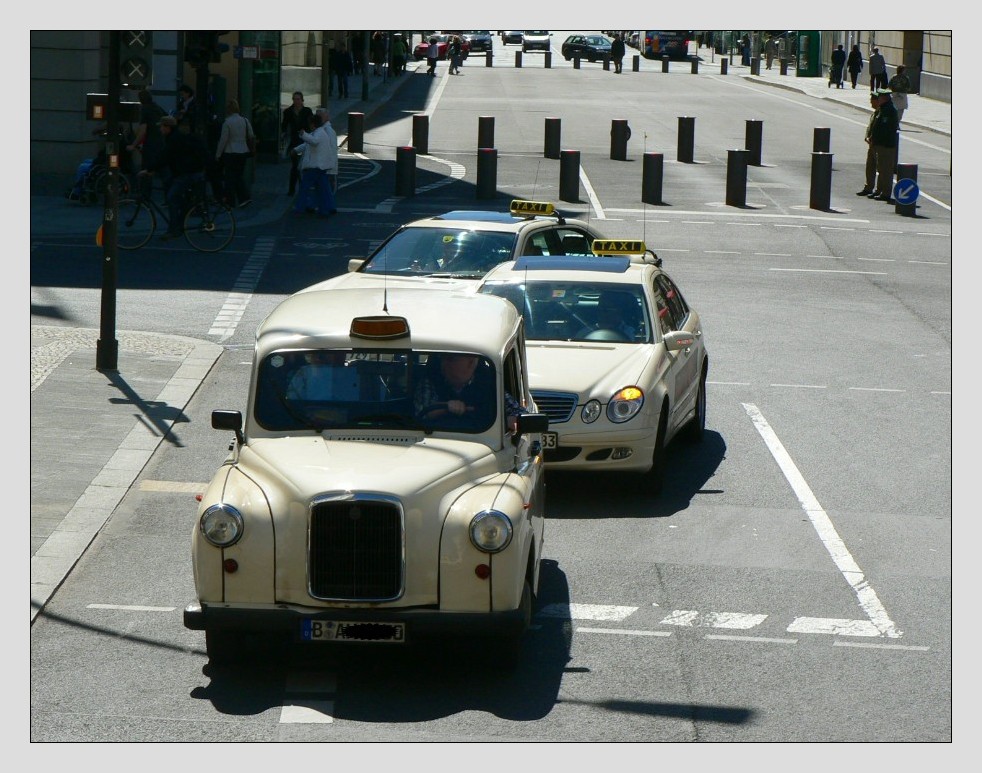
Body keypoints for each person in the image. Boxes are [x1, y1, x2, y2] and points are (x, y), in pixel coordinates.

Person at [137, 115, 209, 240]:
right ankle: (182, 217)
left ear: (168, 127)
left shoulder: (173, 139)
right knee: (174, 192)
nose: (160, 130)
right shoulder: (176, 137)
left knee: (171, 198)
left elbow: (165, 157)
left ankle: (174, 229)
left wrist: (149, 169)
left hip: (187, 173)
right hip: (191, 171)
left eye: (162, 127)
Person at [414, 354, 523, 432]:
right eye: (442, 359)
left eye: (450, 359)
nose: (444, 364)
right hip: (435, 437)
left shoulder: (488, 384)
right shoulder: (431, 381)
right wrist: (446, 407)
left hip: (482, 440)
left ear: (471, 362)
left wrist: (506, 420)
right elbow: (421, 413)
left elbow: (519, 413)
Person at [293, 107, 338, 217]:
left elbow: (313, 141)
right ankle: (326, 208)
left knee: (305, 187)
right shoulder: (322, 131)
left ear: (313, 124)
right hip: (322, 166)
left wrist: (303, 135)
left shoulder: (320, 132)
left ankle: (300, 207)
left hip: (315, 165)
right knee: (323, 188)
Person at [214, 99, 254, 208]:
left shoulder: (227, 122)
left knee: (229, 177)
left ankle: (230, 200)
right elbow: (251, 135)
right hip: (243, 151)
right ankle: (243, 198)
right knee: (238, 175)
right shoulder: (245, 120)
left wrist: (218, 154)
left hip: (230, 152)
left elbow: (223, 140)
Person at [127, 89, 167, 196]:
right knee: (163, 169)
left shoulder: (145, 110)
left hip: (151, 144)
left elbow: (143, 131)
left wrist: (134, 145)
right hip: (161, 142)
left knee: (147, 169)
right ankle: (169, 196)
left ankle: (144, 196)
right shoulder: (157, 107)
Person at [281, 91, 314, 196]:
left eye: (298, 99)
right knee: (295, 165)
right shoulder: (288, 111)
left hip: (305, 140)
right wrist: (284, 135)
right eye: (295, 99)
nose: (296, 101)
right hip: (294, 141)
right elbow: (284, 125)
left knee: (303, 165)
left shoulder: (307, 111)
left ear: (302, 100)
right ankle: (293, 189)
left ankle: (302, 188)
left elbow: (311, 125)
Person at [869, 89, 900, 202]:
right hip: (879, 144)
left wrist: (877, 139)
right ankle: (879, 190)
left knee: (886, 170)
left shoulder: (889, 110)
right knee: (880, 169)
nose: (878, 99)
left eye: (880, 97)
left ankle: (885, 193)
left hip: (886, 144)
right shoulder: (883, 109)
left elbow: (885, 129)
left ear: (885, 98)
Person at [856, 91, 881, 197]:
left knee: (881, 169)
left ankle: (880, 190)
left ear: (878, 101)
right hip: (872, 144)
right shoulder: (875, 112)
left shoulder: (883, 112)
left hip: (879, 145)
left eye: (872, 100)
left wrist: (874, 139)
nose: (870, 102)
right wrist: (867, 137)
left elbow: (882, 130)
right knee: (870, 167)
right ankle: (868, 187)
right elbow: (870, 127)